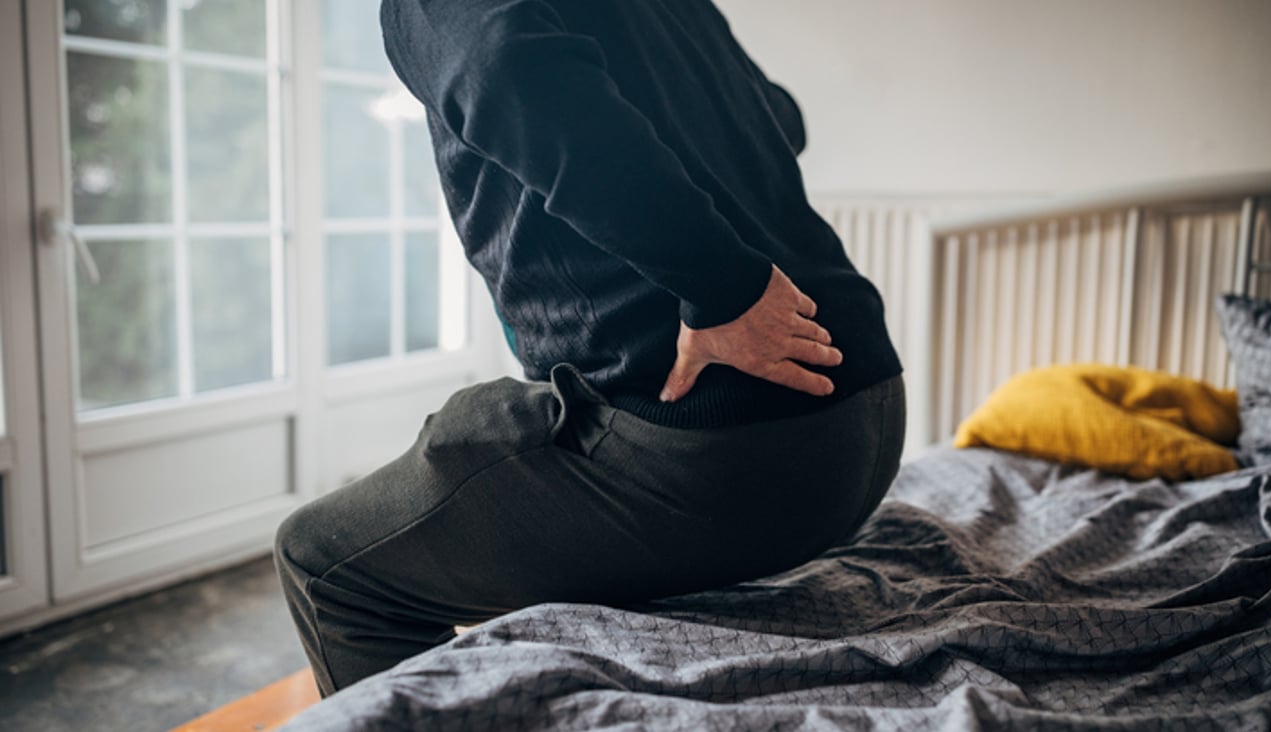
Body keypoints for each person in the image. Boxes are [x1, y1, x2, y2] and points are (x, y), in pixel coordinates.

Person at [275, 0, 905, 696]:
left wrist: (725, 290)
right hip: (865, 422)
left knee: (323, 563)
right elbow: (779, 118)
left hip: (730, 456)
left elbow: (502, 69)